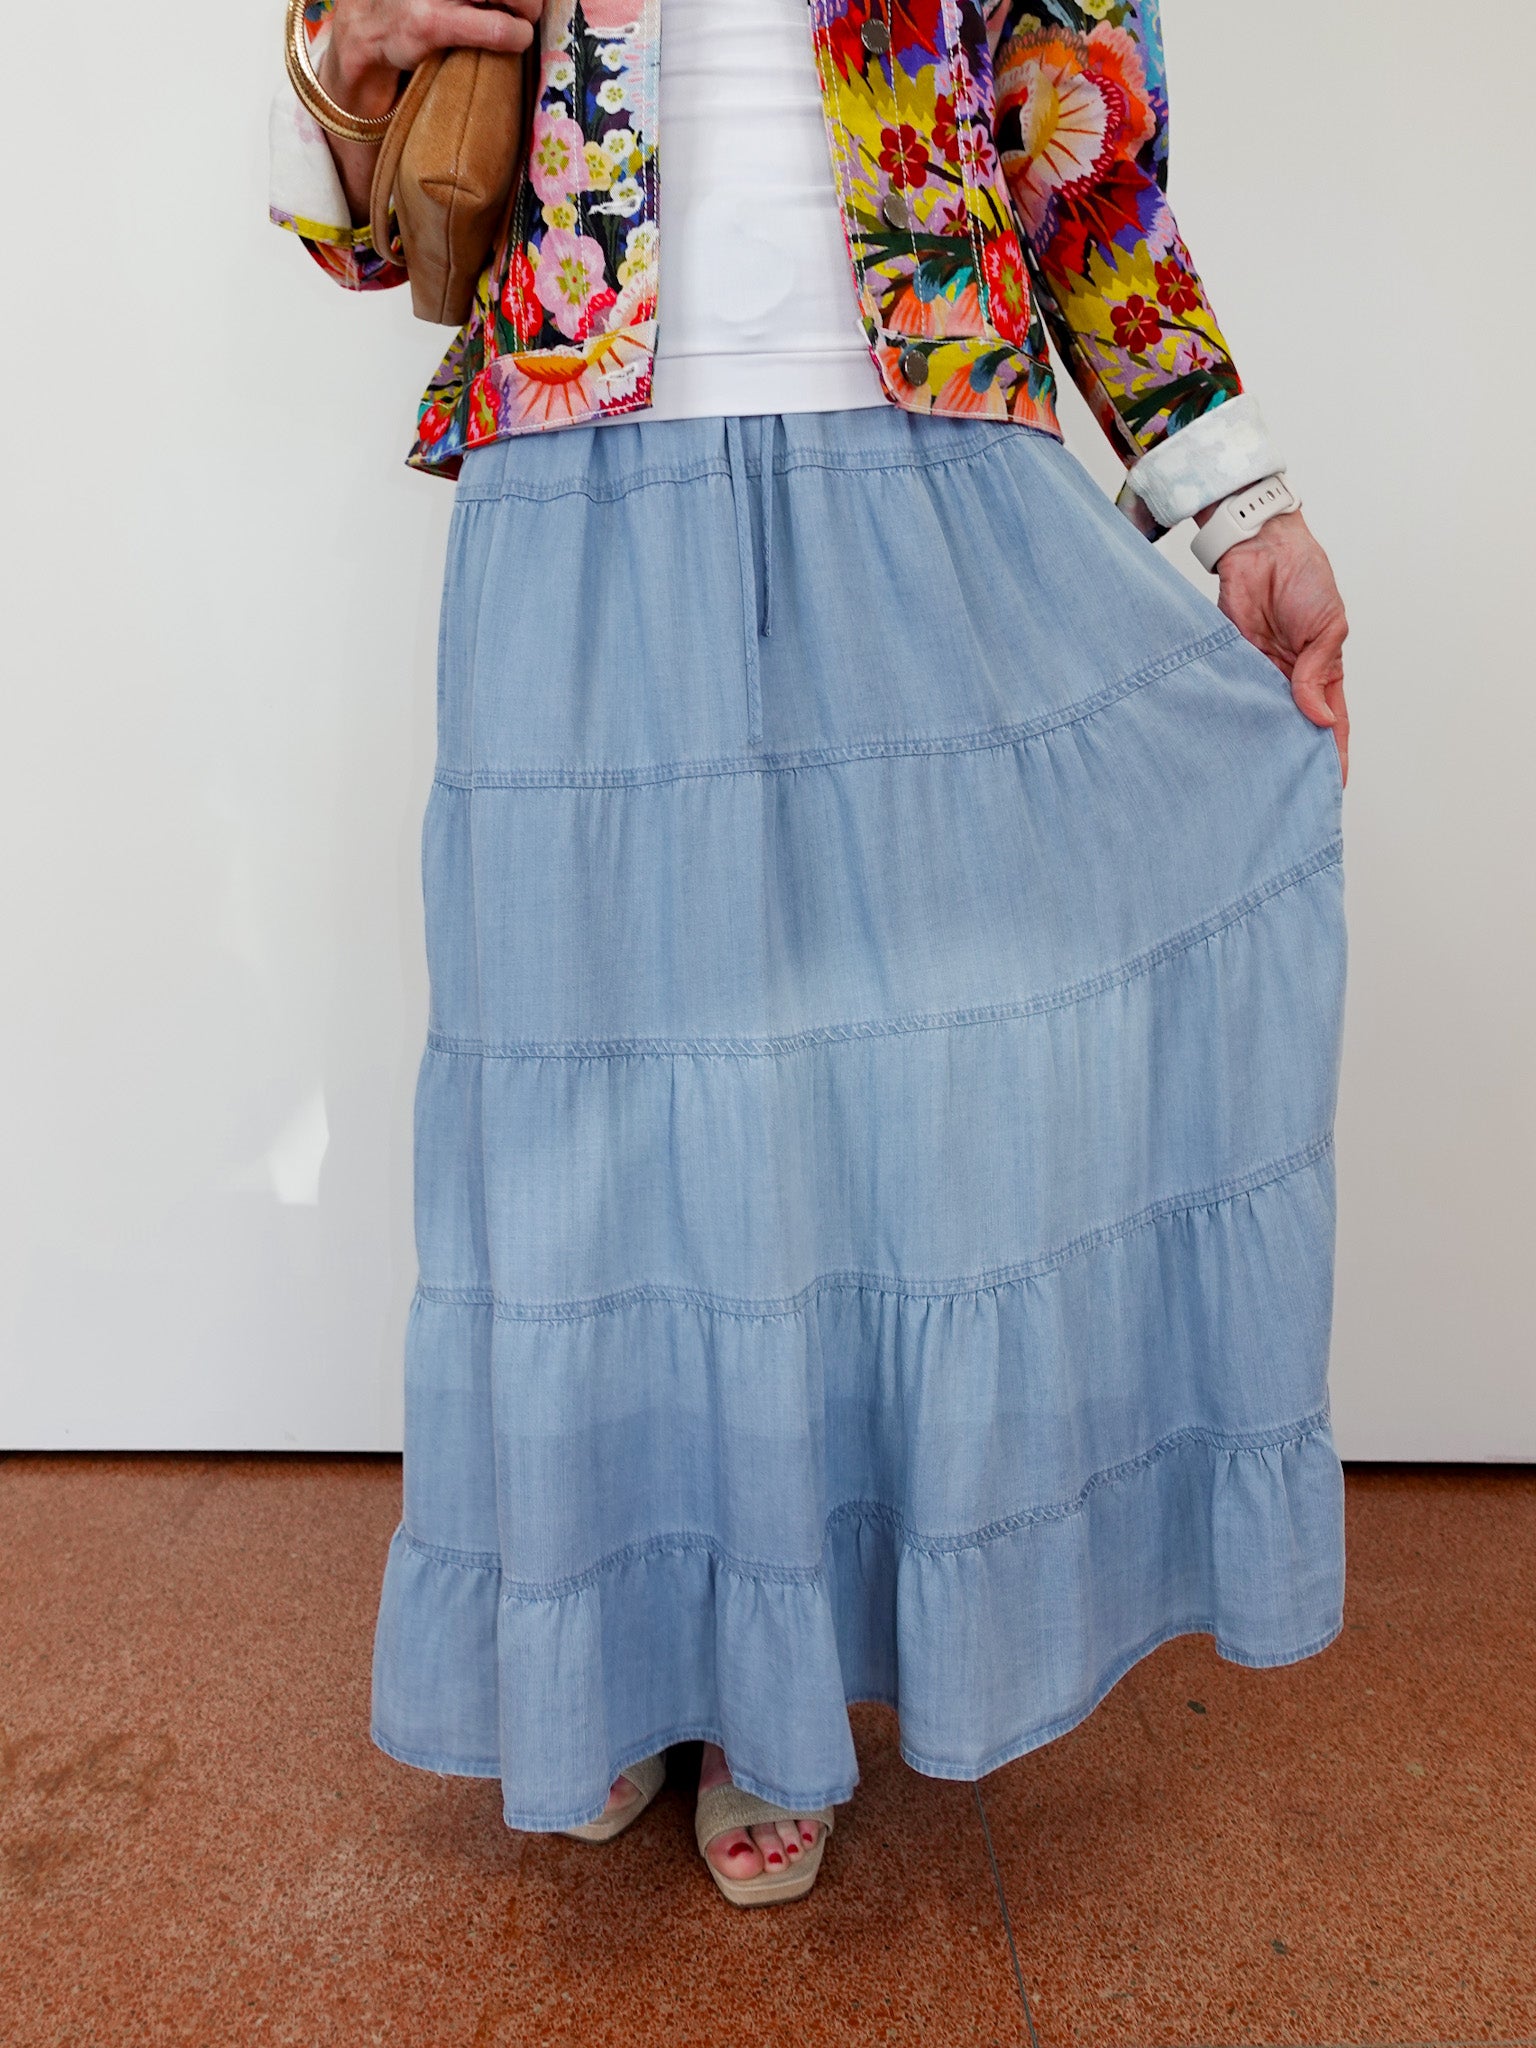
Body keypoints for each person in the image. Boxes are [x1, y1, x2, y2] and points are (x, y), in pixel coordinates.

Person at [270, 0, 1350, 1908]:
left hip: (923, 462)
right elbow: (381, 227)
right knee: (585, 1131)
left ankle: (782, 1694)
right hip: (577, 470)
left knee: (871, 1105)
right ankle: (607, 1642)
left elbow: (1084, 163)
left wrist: (1239, 501)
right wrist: (333, 63)